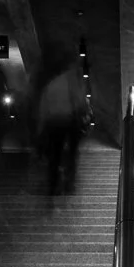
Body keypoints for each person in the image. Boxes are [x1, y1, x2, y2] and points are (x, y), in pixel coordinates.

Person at [38, 57, 86, 198]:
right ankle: (69, 183)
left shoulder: (51, 84)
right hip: (70, 121)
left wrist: (41, 128)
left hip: (53, 123)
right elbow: (80, 101)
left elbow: (43, 107)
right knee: (72, 153)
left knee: (55, 155)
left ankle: (53, 186)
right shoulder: (73, 82)